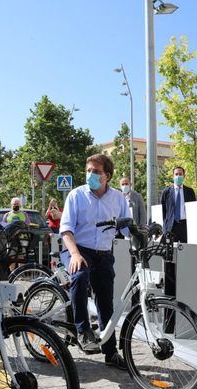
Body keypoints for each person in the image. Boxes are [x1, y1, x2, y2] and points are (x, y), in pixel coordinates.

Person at [59, 154, 130, 369]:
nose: (91, 174)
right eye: (88, 170)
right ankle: (83, 331)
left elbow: (127, 226)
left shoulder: (118, 198)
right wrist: (75, 254)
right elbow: (66, 229)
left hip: (104, 254)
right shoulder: (76, 196)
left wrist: (143, 234)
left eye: (96, 172)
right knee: (80, 277)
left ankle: (110, 352)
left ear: (107, 176)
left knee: (106, 303)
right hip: (80, 250)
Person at [160, 166, 196, 242]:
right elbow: (163, 211)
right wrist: (165, 228)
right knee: (171, 251)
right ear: (173, 176)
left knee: (185, 250)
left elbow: (193, 210)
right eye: (176, 174)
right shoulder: (166, 192)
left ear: (184, 176)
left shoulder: (190, 191)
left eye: (180, 174)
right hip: (171, 226)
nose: (178, 176)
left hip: (185, 226)